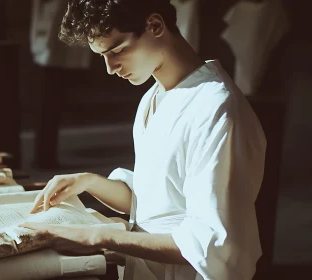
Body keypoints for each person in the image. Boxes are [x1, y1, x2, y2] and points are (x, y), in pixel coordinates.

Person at [20, 0, 267, 279]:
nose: (110, 68)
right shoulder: (154, 96)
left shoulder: (216, 109)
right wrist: (87, 181)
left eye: (117, 50)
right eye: (102, 56)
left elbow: (211, 244)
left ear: (155, 25)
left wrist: (98, 237)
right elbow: (159, 203)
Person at [30, 0, 92, 169]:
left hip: (58, 33)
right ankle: (43, 156)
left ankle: (46, 155)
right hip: (51, 33)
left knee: (52, 101)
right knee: (48, 100)